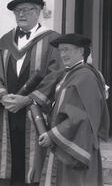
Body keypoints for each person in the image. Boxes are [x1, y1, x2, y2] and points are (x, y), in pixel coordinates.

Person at [0, 0, 63, 186]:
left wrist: (27, 100)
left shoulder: (52, 40)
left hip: (35, 113)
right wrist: (3, 96)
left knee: (33, 166)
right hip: (8, 111)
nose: (21, 14)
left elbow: (55, 75)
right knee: (11, 166)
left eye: (27, 9)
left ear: (38, 12)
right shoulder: (5, 40)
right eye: (18, 11)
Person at [38, 33, 110, 186]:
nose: (63, 54)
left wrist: (52, 135)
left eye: (67, 50)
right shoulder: (70, 74)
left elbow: (80, 116)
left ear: (81, 51)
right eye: (61, 50)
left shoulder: (84, 77)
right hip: (66, 142)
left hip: (76, 145)